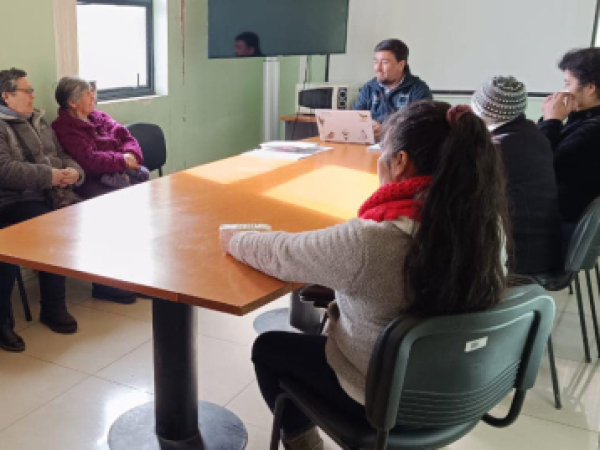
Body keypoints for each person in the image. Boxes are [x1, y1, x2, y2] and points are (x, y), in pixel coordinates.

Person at [222, 101, 509, 449]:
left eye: (383, 151)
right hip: (461, 394)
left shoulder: (370, 241)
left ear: (400, 162)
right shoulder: (488, 227)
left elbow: (281, 253)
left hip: (383, 401)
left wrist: (233, 238)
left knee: (269, 349)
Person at [0, 68, 84, 352]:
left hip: (49, 193)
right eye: (27, 91)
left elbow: (60, 155)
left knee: (82, 215)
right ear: (6, 96)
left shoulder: (39, 119)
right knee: (47, 228)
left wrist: (73, 171)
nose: (33, 95)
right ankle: (15, 319)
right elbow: (5, 171)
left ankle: (61, 303)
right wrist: (51, 176)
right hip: (13, 201)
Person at [52, 76, 145, 304]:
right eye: (88, 94)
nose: (94, 97)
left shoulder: (99, 117)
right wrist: (121, 160)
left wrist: (130, 154)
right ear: (72, 102)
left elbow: (126, 136)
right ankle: (106, 284)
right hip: (92, 182)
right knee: (112, 212)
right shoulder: (64, 128)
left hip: (118, 173)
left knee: (143, 207)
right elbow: (89, 161)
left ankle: (137, 275)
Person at [472, 76, 563, 274]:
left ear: (481, 108)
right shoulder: (534, 134)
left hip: (519, 255)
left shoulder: (498, 148)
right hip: (545, 248)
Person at [538, 47, 600, 227]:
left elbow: (541, 164)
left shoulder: (593, 130)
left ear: (590, 88)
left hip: (562, 224)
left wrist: (551, 121)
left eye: (567, 83)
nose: (563, 90)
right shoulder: (582, 118)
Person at [352, 39, 432, 139]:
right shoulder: (369, 87)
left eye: (384, 62)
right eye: (376, 62)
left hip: (400, 145)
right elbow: (355, 117)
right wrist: (367, 125)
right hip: (370, 144)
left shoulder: (418, 90)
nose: (378, 68)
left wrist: (387, 131)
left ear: (401, 65)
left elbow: (422, 127)